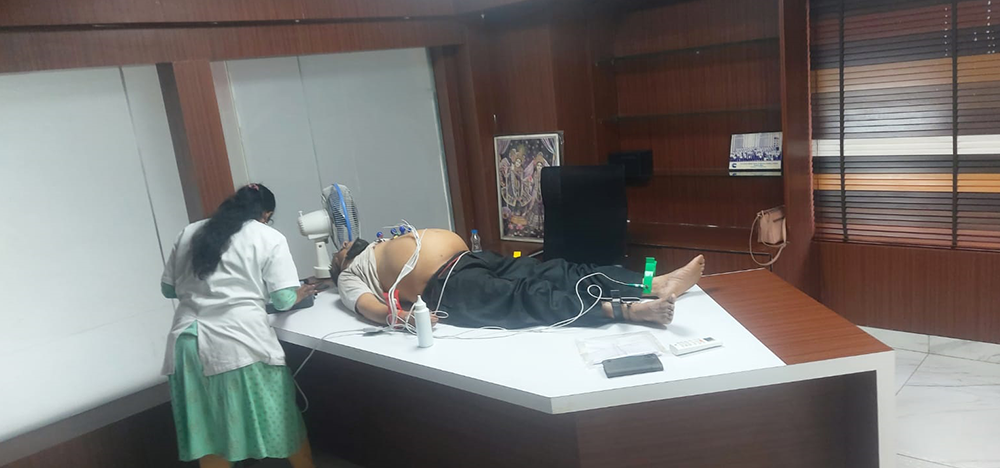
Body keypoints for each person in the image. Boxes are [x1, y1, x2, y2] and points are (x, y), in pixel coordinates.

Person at [160, 184, 317, 468]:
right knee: (284, 423)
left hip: (187, 346)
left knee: (211, 435)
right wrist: (299, 293)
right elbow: (282, 300)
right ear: (265, 215)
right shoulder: (267, 236)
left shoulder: (189, 232)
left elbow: (168, 289)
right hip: (238, 347)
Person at [329, 229, 704, 329]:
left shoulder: (378, 242)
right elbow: (368, 307)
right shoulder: (349, 275)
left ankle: (652, 284)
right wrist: (402, 317)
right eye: (338, 250)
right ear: (339, 264)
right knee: (531, 296)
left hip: (468, 260)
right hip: (445, 287)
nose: (342, 244)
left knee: (559, 270)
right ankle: (629, 311)